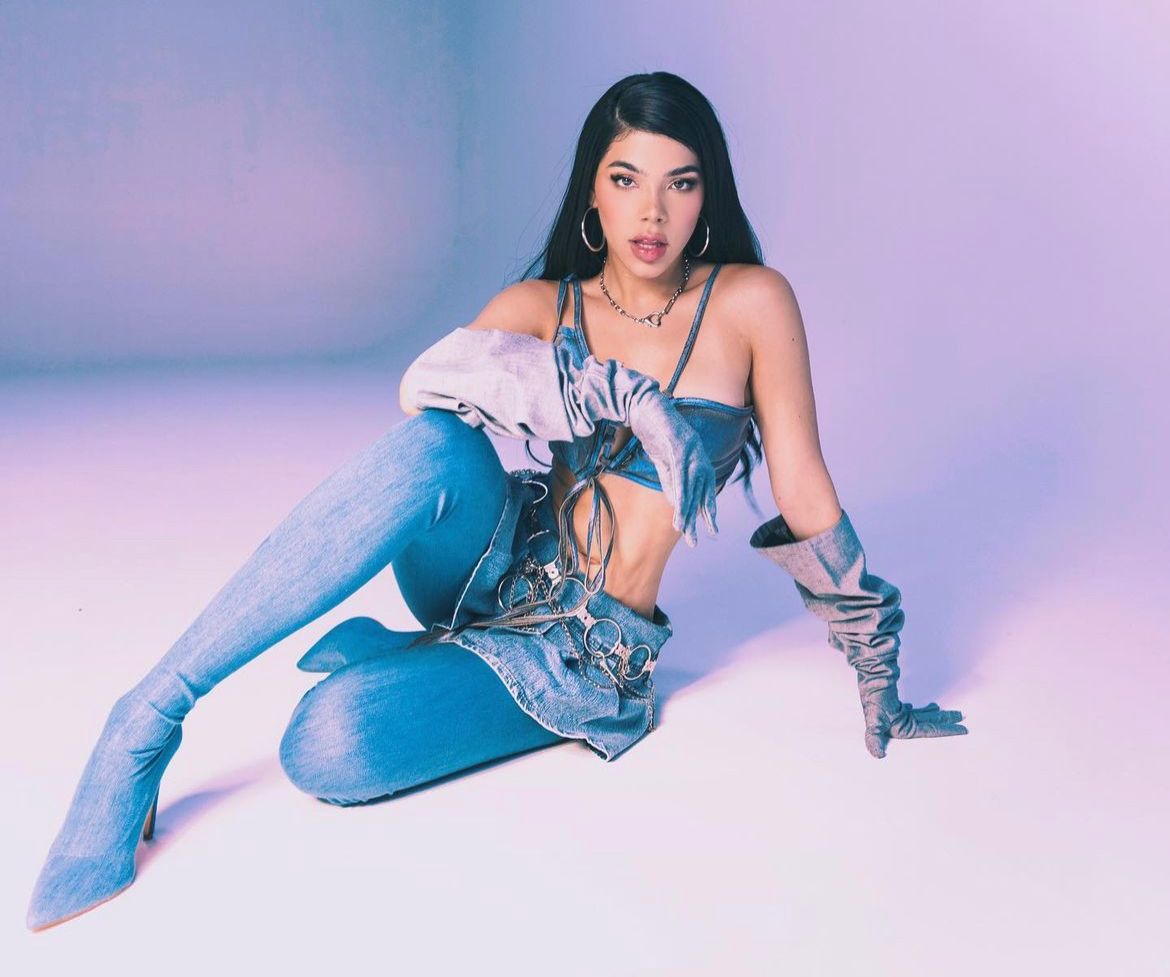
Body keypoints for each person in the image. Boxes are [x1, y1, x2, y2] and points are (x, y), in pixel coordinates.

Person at [26, 70, 967, 931]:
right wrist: (629, 398)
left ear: (705, 194)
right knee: (435, 444)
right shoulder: (541, 305)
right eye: (627, 179)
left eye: (680, 183)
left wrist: (877, 668)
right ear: (593, 192)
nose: (653, 211)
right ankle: (145, 717)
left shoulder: (752, 302)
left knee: (326, 745)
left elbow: (803, 486)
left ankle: (416, 659)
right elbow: (426, 384)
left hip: (581, 649)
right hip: (490, 560)